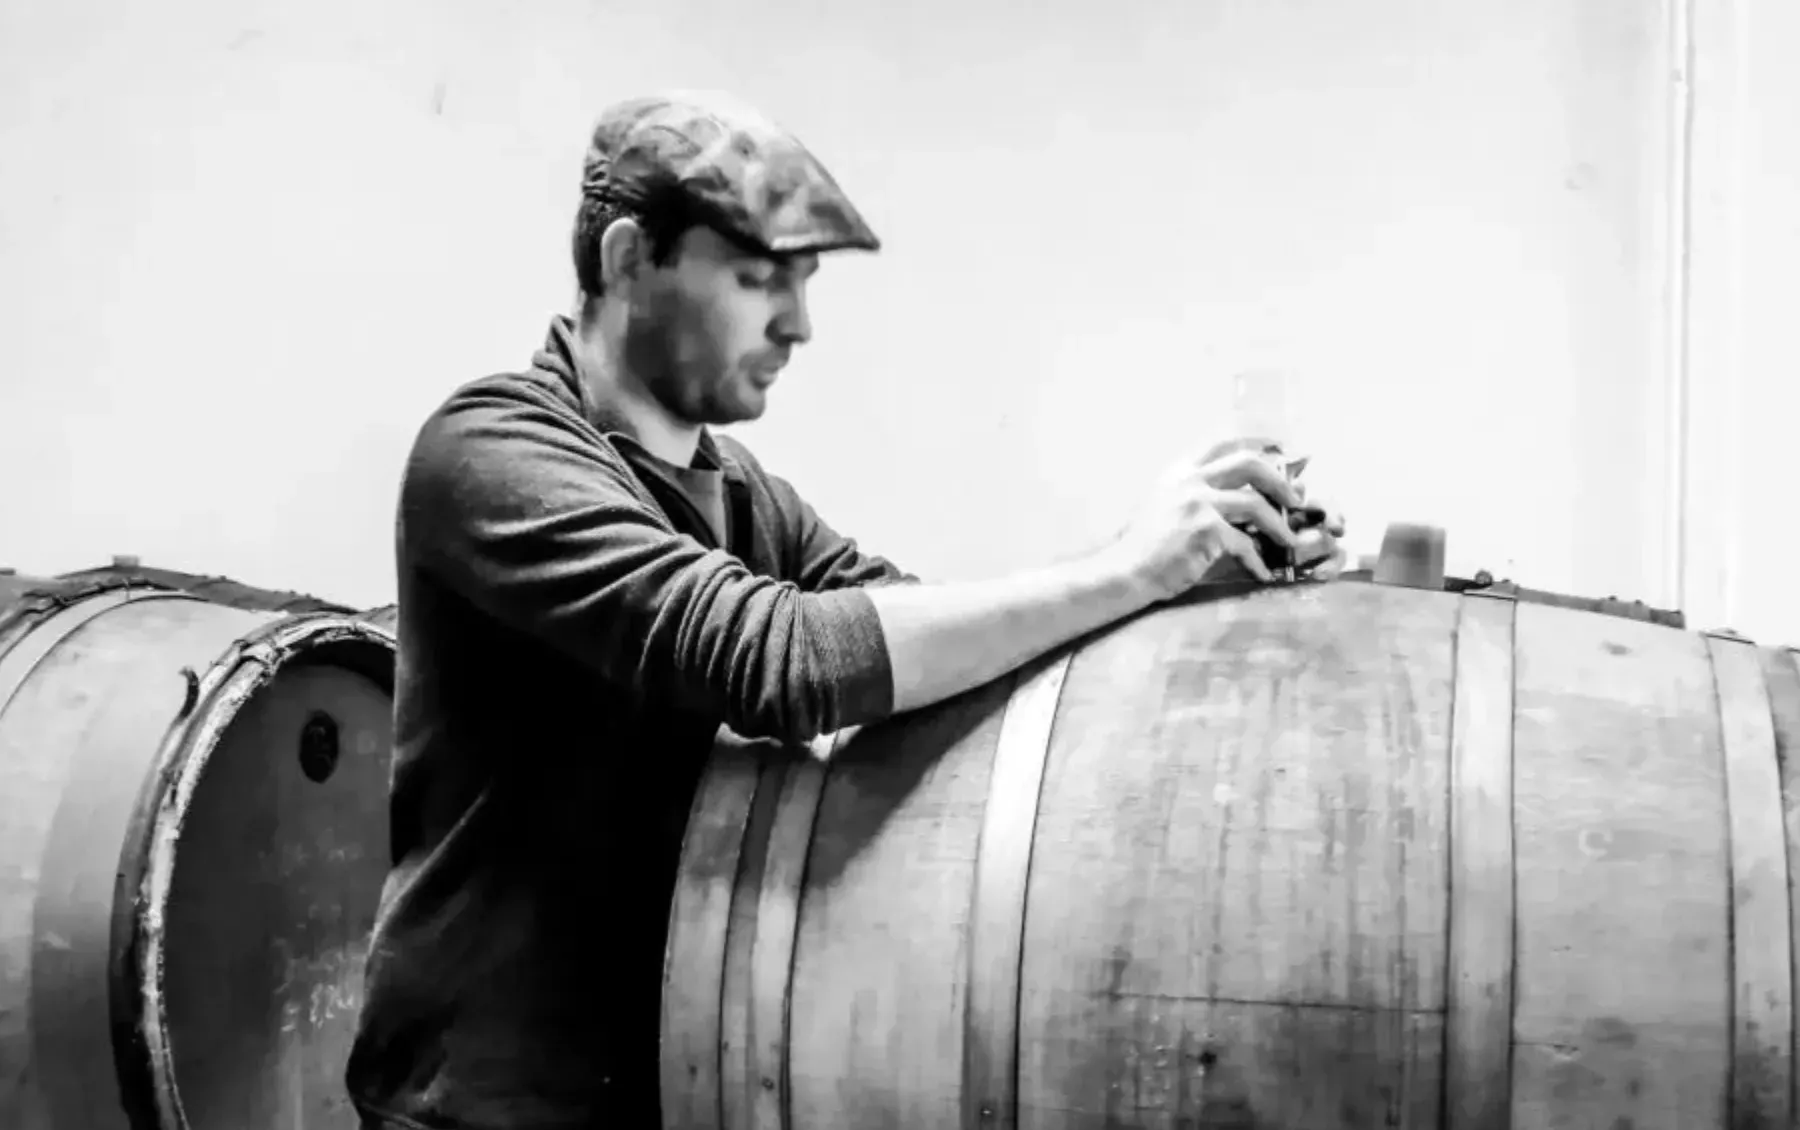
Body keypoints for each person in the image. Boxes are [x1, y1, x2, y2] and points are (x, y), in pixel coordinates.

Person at [344, 89, 1346, 1130]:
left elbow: (906, 630)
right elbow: (780, 661)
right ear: (630, 258)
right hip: (483, 1102)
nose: (799, 324)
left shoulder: (742, 497)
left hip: (671, 1082)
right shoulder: (492, 453)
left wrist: (1188, 582)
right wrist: (1130, 565)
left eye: (805, 282)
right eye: (758, 279)